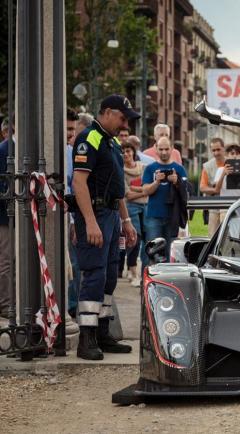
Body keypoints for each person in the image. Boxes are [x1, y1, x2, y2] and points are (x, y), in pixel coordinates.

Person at [71, 94, 138, 360]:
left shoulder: (110, 142)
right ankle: (86, 338)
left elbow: (118, 187)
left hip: (111, 214)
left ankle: (102, 332)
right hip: (95, 214)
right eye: (122, 118)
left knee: (110, 275)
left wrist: (126, 221)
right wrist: (89, 222)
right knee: (95, 274)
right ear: (107, 112)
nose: (125, 125)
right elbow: (79, 183)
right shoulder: (90, 138)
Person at [142, 136, 187, 261]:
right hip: (154, 216)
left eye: (166, 149)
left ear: (172, 148)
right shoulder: (150, 168)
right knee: (152, 252)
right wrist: (157, 182)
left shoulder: (179, 169)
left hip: (173, 217)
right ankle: (148, 279)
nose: (164, 152)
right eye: (161, 149)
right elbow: (145, 191)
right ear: (156, 149)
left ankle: (168, 280)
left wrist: (177, 181)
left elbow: (186, 192)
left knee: (170, 253)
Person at [121, 143, 147, 287]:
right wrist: (143, 191)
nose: (126, 154)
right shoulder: (121, 171)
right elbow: (128, 195)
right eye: (123, 152)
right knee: (134, 238)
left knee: (146, 238)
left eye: (128, 151)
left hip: (146, 206)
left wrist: (137, 190)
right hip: (130, 207)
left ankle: (143, 271)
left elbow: (148, 187)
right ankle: (133, 271)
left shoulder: (143, 168)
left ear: (133, 152)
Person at [65, 108, 81, 319]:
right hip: (63, 217)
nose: (71, 133)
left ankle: (71, 307)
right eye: (68, 128)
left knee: (74, 267)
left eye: (73, 129)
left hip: (71, 217)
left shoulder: (71, 151)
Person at [213, 143, 240, 223]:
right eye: (232, 153)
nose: (235, 156)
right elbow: (217, 190)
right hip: (225, 208)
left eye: (237, 154)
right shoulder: (220, 170)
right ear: (226, 156)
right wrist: (223, 174)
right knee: (226, 234)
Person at [199, 138, 226, 236]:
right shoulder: (207, 166)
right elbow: (202, 187)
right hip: (214, 205)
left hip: (229, 203)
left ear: (224, 148)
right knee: (212, 235)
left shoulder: (231, 163)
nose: (216, 153)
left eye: (218, 149)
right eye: (213, 150)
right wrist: (214, 190)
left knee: (228, 235)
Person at [0, 117, 13, 318]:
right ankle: (5, 304)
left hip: (21, 214)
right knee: (6, 260)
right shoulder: (4, 149)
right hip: (5, 215)